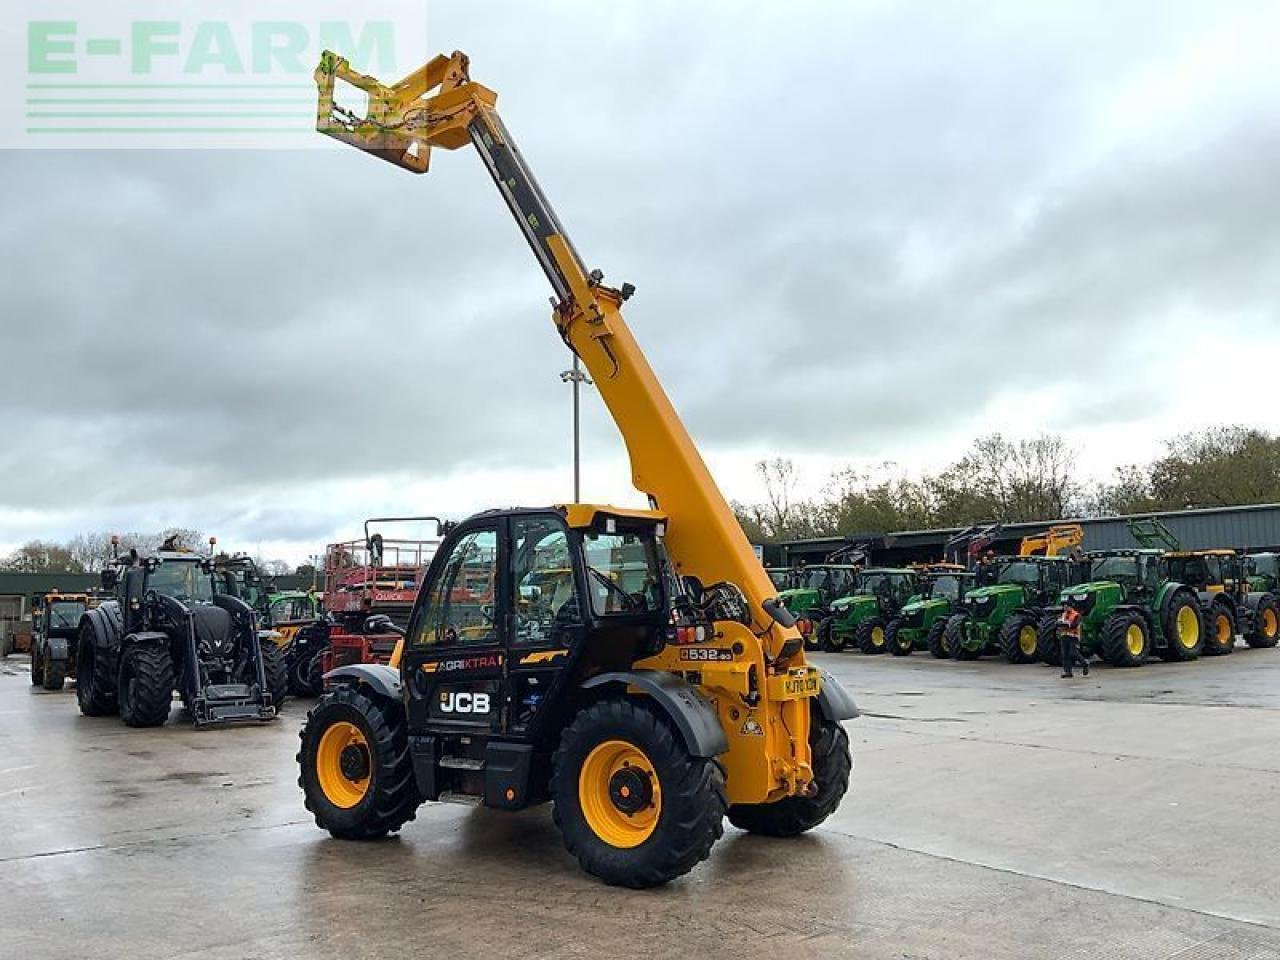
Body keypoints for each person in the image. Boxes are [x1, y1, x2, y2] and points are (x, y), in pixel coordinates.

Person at [1057, 604, 1089, 678]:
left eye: (1066, 606)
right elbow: (1059, 623)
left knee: (1073, 653)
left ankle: (1084, 663)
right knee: (1065, 654)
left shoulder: (1076, 615)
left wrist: (1066, 625)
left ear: (1070, 607)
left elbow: (1074, 625)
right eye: (1064, 606)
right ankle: (1068, 672)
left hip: (1073, 637)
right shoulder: (1063, 614)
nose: (1065, 608)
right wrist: (1059, 624)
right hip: (1064, 636)